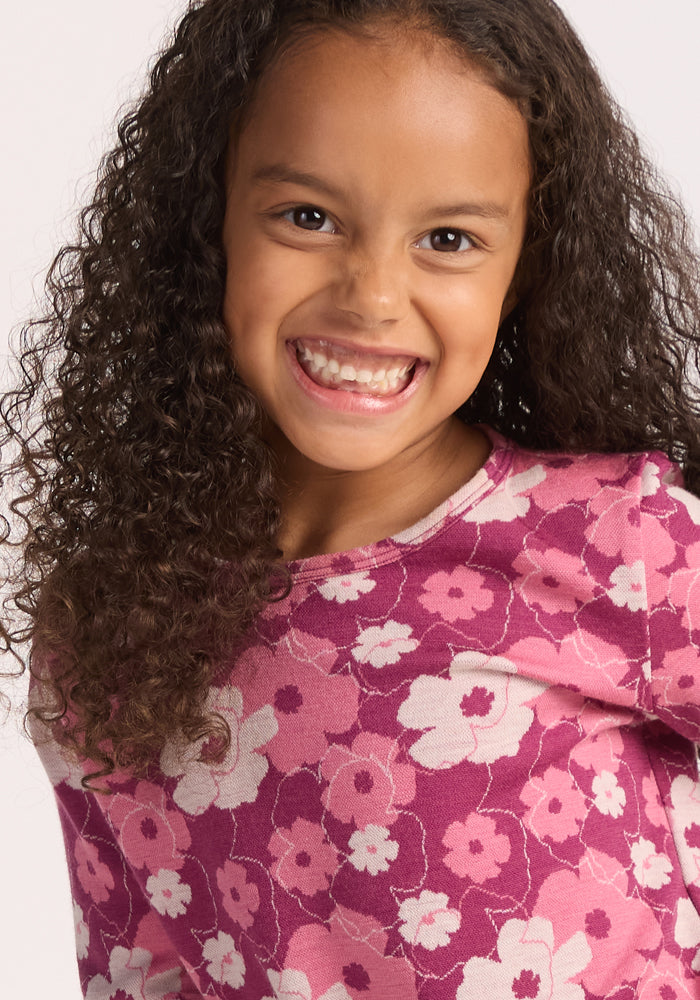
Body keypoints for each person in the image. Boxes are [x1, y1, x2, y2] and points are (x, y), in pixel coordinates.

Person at [2, 0, 699, 996]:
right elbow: (139, 969)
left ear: (524, 268)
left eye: (449, 238)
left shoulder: (614, 541)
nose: (372, 294)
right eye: (308, 217)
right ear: (208, 220)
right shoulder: (110, 623)